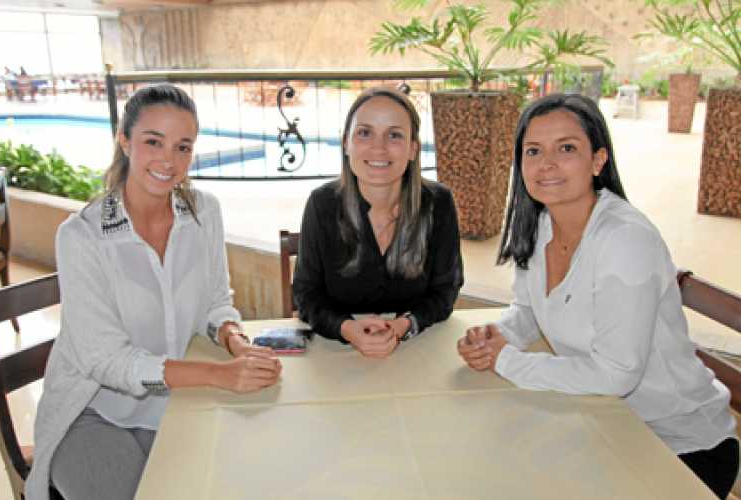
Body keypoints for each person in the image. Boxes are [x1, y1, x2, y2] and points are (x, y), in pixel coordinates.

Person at [457, 93, 738, 498]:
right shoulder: (540, 224)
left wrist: (507, 360)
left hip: (677, 445)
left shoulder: (625, 240)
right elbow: (530, 310)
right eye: (533, 150)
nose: (547, 163)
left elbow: (616, 373)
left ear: (598, 160)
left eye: (566, 148)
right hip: (601, 418)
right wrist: (496, 336)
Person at [26, 85, 282, 500]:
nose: (169, 160)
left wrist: (234, 340)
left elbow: (216, 303)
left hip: (176, 406)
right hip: (91, 413)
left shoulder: (204, 213)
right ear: (124, 140)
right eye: (153, 142)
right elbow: (106, 360)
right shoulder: (82, 236)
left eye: (183, 147)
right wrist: (219, 374)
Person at [293, 86, 463, 358]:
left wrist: (403, 326)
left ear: (413, 148)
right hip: (336, 356)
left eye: (394, 135)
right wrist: (346, 329)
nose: (378, 148)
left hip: (417, 351)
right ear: (346, 143)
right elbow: (306, 295)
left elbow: (445, 292)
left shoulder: (438, 203)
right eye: (364, 133)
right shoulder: (321, 204)